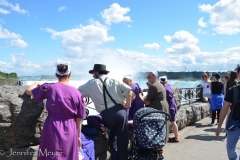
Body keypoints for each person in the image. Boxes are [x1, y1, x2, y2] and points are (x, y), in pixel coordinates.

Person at [25, 61, 86, 160]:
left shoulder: (49, 88)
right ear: (70, 74)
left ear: (56, 74)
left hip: (52, 125)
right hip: (70, 127)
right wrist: (78, 137)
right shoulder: (77, 93)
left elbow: (28, 92)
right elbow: (79, 119)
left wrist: (36, 83)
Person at [78, 64, 132, 160]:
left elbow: (76, 93)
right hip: (120, 112)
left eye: (93, 73)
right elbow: (129, 90)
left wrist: (82, 104)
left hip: (107, 114)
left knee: (113, 139)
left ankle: (114, 158)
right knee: (123, 140)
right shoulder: (114, 80)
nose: (93, 75)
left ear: (97, 72)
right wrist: (128, 105)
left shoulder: (90, 84)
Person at [216, 67, 240, 160]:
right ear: (238, 75)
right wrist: (219, 126)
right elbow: (224, 108)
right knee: (230, 149)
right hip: (234, 122)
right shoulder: (233, 90)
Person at [144, 71, 169, 143]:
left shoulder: (153, 86)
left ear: (155, 77)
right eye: (147, 77)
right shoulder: (160, 84)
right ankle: (164, 140)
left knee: (157, 124)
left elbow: (147, 101)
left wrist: (140, 97)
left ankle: (158, 142)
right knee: (163, 124)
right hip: (163, 105)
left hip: (157, 106)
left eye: (149, 77)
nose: (148, 79)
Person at [159, 76, 179, 142]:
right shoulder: (168, 86)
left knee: (173, 122)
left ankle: (176, 138)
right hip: (173, 105)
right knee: (173, 122)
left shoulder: (164, 89)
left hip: (170, 107)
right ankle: (176, 137)